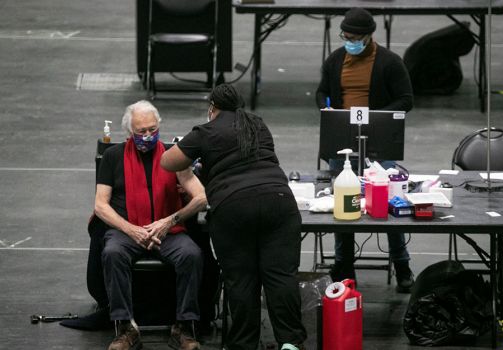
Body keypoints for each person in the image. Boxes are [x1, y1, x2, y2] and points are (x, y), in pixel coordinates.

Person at [161, 84, 307, 350]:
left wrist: (194, 159)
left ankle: (244, 345)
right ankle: (291, 343)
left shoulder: (205, 131)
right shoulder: (257, 124)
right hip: (280, 202)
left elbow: (168, 162)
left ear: (212, 108)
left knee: (241, 280)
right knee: (281, 277)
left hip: (234, 207)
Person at [315, 7, 415, 293]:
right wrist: (328, 108)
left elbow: (406, 100)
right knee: (342, 206)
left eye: (354, 37)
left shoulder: (390, 63)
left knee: (387, 204)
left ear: (368, 36)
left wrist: (375, 115)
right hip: (342, 139)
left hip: (379, 140)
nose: (349, 41)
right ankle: (344, 267)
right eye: (345, 36)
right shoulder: (335, 60)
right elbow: (321, 91)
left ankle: (402, 266)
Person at [94, 100, 207, 350]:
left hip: (166, 231)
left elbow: (201, 197)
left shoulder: (174, 156)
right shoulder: (113, 156)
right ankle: (125, 327)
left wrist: (170, 221)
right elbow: (100, 205)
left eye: (152, 130)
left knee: (191, 254)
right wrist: (131, 230)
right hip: (127, 230)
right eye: (141, 132)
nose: (147, 136)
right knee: (112, 253)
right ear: (129, 133)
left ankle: (184, 326)